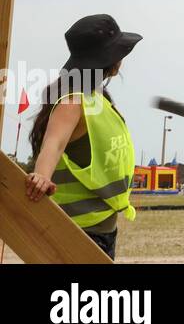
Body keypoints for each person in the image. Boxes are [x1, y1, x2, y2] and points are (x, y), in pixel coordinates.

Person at [25, 15, 143, 260]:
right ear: (106, 59)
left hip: (103, 229)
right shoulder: (73, 101)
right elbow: (53, 143)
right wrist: (42, 177)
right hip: (80, 232)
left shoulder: (97, 98)